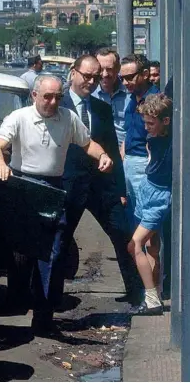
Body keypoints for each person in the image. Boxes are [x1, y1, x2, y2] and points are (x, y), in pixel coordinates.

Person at [0, 74, 114, 336]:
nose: (53, 101)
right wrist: (0, 164)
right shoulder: (18, 117)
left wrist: (102, 155)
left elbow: (88, 143)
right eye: (47, 96)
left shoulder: (68, 118)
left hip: (54, 187)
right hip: (22, 184)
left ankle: (43, 316)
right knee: (10, 250)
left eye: (58, 96)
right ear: (35, 95)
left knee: (54, 252)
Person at [60, 55, 142, 305]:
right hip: (67, 186)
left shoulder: (102, 110)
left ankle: (137, 292)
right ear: (73, 73)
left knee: (122, 235)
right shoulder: (57, 105)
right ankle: (50, 300)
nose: (93, 82)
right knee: (57, 244)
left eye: (96, 78)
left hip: (102, 186)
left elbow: (113, 152)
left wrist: (120, 189)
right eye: (87, 76)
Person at [127, 94, 173, 315]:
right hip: (147, 188)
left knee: (135, 244)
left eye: (150, 123)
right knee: (151, 246)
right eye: (145, 123)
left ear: (166, 121)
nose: (146, 128)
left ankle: (152, 297)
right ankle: (154, 295)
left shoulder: (174, 142)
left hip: (160, 196)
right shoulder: (154, 139)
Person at [120, 54, 159, 228]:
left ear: (144, 74)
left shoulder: (154, 99)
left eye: (129, 77)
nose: (125, 82)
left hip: (144, 163)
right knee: (133, 215)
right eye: (122, 78)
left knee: (145, 220)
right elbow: (128, 132)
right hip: (129, 162)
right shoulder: (132, 98)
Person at [93, 48, 128, 147]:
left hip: (127, 150)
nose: (105, 74)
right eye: (100, 69)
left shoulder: (130, 93)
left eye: (109, 69)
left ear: (118, 69)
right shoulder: (89, 94)